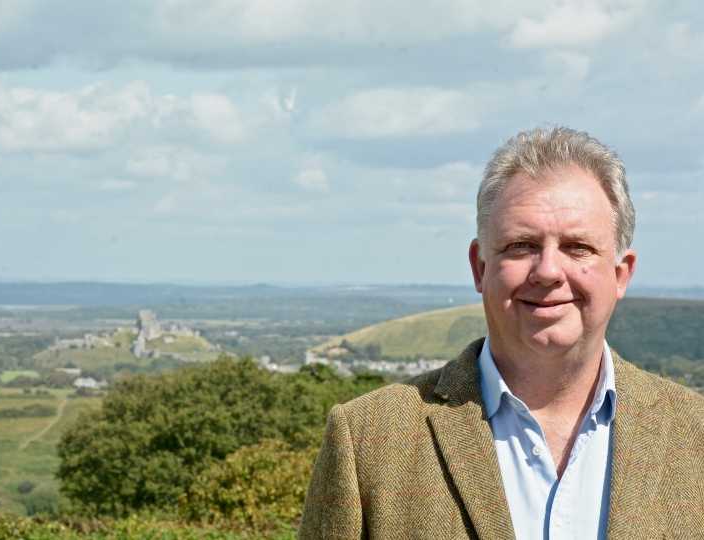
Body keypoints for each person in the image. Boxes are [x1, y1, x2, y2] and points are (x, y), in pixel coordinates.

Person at [298, 126, 704, 539]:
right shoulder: (368, 439)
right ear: (480, 267)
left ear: (621, 274)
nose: (547, 271)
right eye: (521, 245)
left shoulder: (696, 435)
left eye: (578, 247)